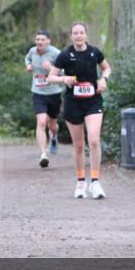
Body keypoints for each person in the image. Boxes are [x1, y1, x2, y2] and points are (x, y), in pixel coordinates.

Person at [47, 22, 111, 199]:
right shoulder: (65, 55)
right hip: (73, 103)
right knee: (79, 145)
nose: (79, 35)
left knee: (94, 140)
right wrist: (64, 79)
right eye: (75, 33)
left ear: (86, 35)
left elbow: (106, 68)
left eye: (81, 32)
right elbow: (51, 77)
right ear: (71, 36)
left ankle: (95, 182)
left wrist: (104, 80)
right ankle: (81, 182)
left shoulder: (94, 52)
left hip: (93, 101)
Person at [24, 30, 64, 168]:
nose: (39, 42)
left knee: (52, 125)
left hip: (54, 93)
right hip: (38, 92)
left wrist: (51, 68)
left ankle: (53, 137)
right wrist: (28, 65)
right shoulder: (32, 51)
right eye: (37, 39)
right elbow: (27, 58)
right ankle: (43, 155)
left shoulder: (56, 53)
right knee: (41, 122)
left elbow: (65, 72)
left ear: (48, 41)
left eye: (42, 40)